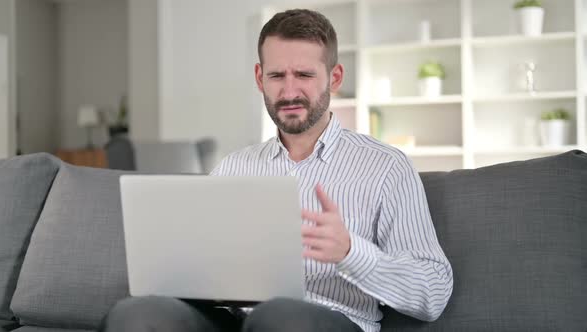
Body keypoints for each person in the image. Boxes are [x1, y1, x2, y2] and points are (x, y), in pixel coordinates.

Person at [100, 9, 453, 332]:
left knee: (279, 317)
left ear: (334, 78)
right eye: (276, 75)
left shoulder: (386, 168)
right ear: (259, 78)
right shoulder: (234, 167)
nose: (289, 91)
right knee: (137, 314)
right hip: (234, 319)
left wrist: (351, 252)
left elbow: (433, 293)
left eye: (303, 74)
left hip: (331, 320)